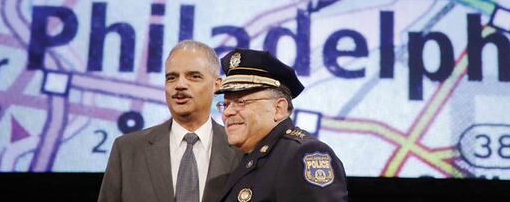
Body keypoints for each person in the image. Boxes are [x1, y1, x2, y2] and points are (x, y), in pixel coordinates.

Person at [98, 41, 240, 202]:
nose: (180, 85)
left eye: (193, 76)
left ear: (217, 85)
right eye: (171, 78)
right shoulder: (127, 150)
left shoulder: (241, 150)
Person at [215, 48, 348, 202]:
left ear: (279, 109)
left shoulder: (303, 155)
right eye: (226, 104)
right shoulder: (248, 158)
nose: (227, 113)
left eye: (240, 102)